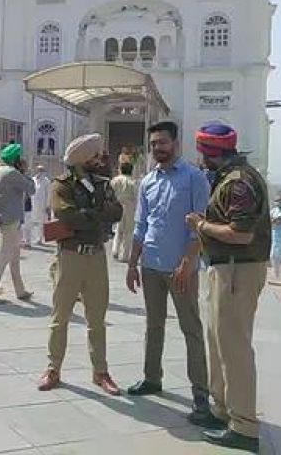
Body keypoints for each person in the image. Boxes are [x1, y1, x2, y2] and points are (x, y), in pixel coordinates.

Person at [184, 123, 270, 452]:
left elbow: (242, 234)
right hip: (226, 270)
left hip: (238, 271)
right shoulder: (229, 177)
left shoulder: (238, 184)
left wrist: (200, 225)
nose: (200, 157)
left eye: (202, 151)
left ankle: (244, 427)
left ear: (211, 152)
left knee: (234, 350)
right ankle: (221, 411)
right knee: (218, 343)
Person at [124, 121, 212, 425]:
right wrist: (132, 264)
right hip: (151, 265)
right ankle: (152, 378)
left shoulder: (194, 178)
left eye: (162, 142)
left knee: (191, 329)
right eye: (153, 144)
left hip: (181, 269)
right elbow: (140, 226)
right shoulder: (148, 181)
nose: (157, 148)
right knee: (153, 325)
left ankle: (201, 395)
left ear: (176, 143)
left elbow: (199, 227)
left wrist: (187, 264)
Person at [37, 134, 123, 396]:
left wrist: (88, 216)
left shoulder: (103, 184)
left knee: (96, 318)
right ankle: (53, 368)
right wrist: (97, 215)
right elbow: (66, 215)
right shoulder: (61, 185)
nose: (101, 159)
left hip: (96, 255)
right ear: (84, 159)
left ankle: (100, 372)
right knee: (60, 316)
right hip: (70, 256)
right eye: (96, 156)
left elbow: (117, 212)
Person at [0, 143, 35, 303]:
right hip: (12, 218)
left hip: (4, 217)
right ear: (16, 159)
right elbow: (31, 188)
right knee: (5, 256)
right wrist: (25, 172)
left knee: (15, 256)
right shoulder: (12, 173)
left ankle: (20, 290)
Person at [110, 162, 139, 262]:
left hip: (117, 205)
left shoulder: (115, 180)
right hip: (130, 207)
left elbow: (110, 193)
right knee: (128, 232)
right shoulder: (133, 182)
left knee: (118, 229)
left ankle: (115, 250)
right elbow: (136, 196)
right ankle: (125, 255)